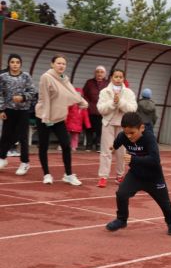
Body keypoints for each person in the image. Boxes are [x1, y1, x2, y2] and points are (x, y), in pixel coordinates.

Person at [105, 112, 171, 236]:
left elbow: (155, 160)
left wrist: (134, 159)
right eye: (126, 133)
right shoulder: (123, 135)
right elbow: (118, 140)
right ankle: (122, 220)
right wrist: (114, 147)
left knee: (165, 203)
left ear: (142, 128)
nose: (129, 136)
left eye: (132, 133)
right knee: (121, 193)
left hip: (154, 177)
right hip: (135, 175)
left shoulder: (149, 138)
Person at [35, 54, 87, 186]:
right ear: (52, 64)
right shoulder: (46, 77)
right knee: (44, 146)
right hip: (44, 116)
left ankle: (68, 175)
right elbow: (44, 98)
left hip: (58, 117)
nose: (61, 66)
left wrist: (81, 101)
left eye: (63, 64)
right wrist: (46, 118)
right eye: (58, 63)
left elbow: (72, 93)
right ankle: (46, 174)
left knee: (65, 144)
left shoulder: (64, 79)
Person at [96, 68, 137, 188]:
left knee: (121, 152)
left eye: (120, 77)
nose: (118, 79)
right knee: (106, 151)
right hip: (108, 124)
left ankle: (120, 175)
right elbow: (101, 109)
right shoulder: (104, 92)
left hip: (123, 126)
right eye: (116, 77)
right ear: (111, 77)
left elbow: (133, 108)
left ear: (124, 78)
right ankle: (103, 176)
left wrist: (120, 103)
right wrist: (113, 103)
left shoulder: (129, 92)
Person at [0, 54, 36, 175]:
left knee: (22, 137)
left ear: (20, 64)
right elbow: (0, 94)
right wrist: (1, 110)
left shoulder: (26, 76)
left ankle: (25, 162)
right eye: (12, 62)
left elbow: (32, 91)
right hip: (9, 110)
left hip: (23, 111)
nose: (15, 64)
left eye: (17, 62)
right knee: (6, 135)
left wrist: (23, 97)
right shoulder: (3, 77)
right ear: (9, 64)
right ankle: (2, 158)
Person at [82, 66, 109, 152]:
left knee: (100, 129)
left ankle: (98, 145)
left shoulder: (108, 83)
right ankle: (88, 145)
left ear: (105, 74)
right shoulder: (89, 82)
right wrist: (88, 103)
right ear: (95, 73)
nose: (99, 74)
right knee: (89, 128)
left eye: (101, 72)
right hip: (90, 109)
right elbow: (84, 94)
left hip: (102, 110)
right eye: (98, 72)